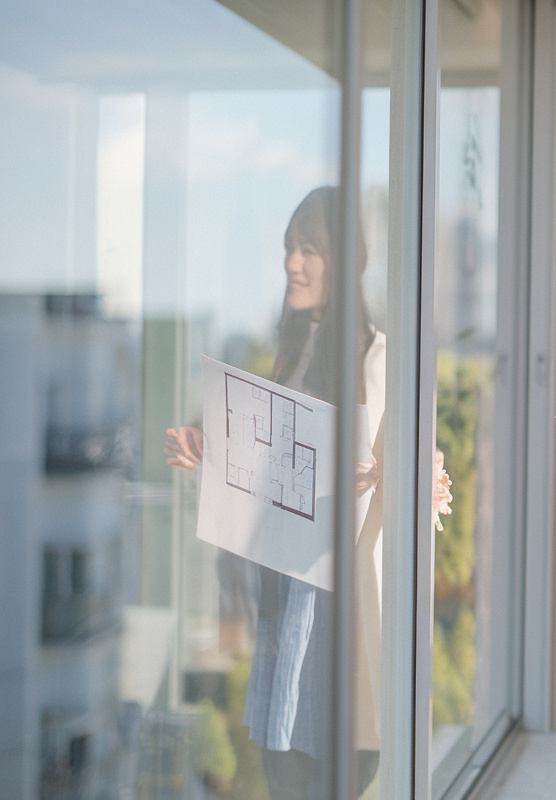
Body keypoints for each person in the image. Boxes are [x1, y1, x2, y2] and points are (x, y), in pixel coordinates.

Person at [166, 186, 386, 799]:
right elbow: (273, 476)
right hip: (283, 594)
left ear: (346, 260)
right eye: (289, 247)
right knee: (284, 764)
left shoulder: (375, 356)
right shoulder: (294, 350)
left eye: (309, 248)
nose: (293, 262)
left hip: (327, 600)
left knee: (325, 765)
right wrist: (212, 453)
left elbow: (390, 478)